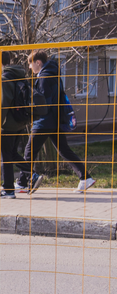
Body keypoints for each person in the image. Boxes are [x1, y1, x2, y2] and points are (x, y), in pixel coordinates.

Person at [19, 50, 95, 195]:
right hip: (56, 120)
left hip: (44, 121)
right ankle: (85, 178)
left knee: (29, 151)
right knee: (64, 150)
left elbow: (42, 104)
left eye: (31, 64)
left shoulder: (44, 78)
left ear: (38, 62)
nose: (30, 68)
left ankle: (23, 182)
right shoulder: (55, 75)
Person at [0, 50, 29, 199]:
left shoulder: (5, 78)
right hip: (20, 121)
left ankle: (8, 190)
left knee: (5, 157)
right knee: (12, 154)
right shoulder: (18, 74)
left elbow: (2, 104)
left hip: (7, 124)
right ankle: (32, 173)